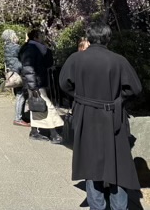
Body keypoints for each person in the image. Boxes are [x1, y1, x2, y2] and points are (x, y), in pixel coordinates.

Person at [59, 22, 142, 210]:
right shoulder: (118, 60)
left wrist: (79, 97)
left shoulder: (75, 59)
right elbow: (135, 88)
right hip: (112, 115)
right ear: (108, 38)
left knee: (90, 163)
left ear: (88, 38)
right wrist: (119, 99)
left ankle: (96, 206)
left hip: (85, 115)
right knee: (118, 165)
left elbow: (64, 84)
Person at [19, 28, 64, 143]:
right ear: (35, 37)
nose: (43, 37)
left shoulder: (38, 49)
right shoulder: (31, 49)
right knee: (47, 106)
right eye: (41, 35)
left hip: (37, 81)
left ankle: (34, 132)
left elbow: (49, 63)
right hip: (35, 83)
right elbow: (28, 68)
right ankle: (53, 134)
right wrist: (33, 86)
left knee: (37, 107)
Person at [2, 29, 29, 127]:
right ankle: (18, 118)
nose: (16, 36)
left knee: (21, 94)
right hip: (18, 73)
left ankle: (21, 116)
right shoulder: (14, 47)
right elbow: (24, 51)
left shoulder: (8, 47)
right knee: (20, 95)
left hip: (15, 73)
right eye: (15, 35)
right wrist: (27, 42)